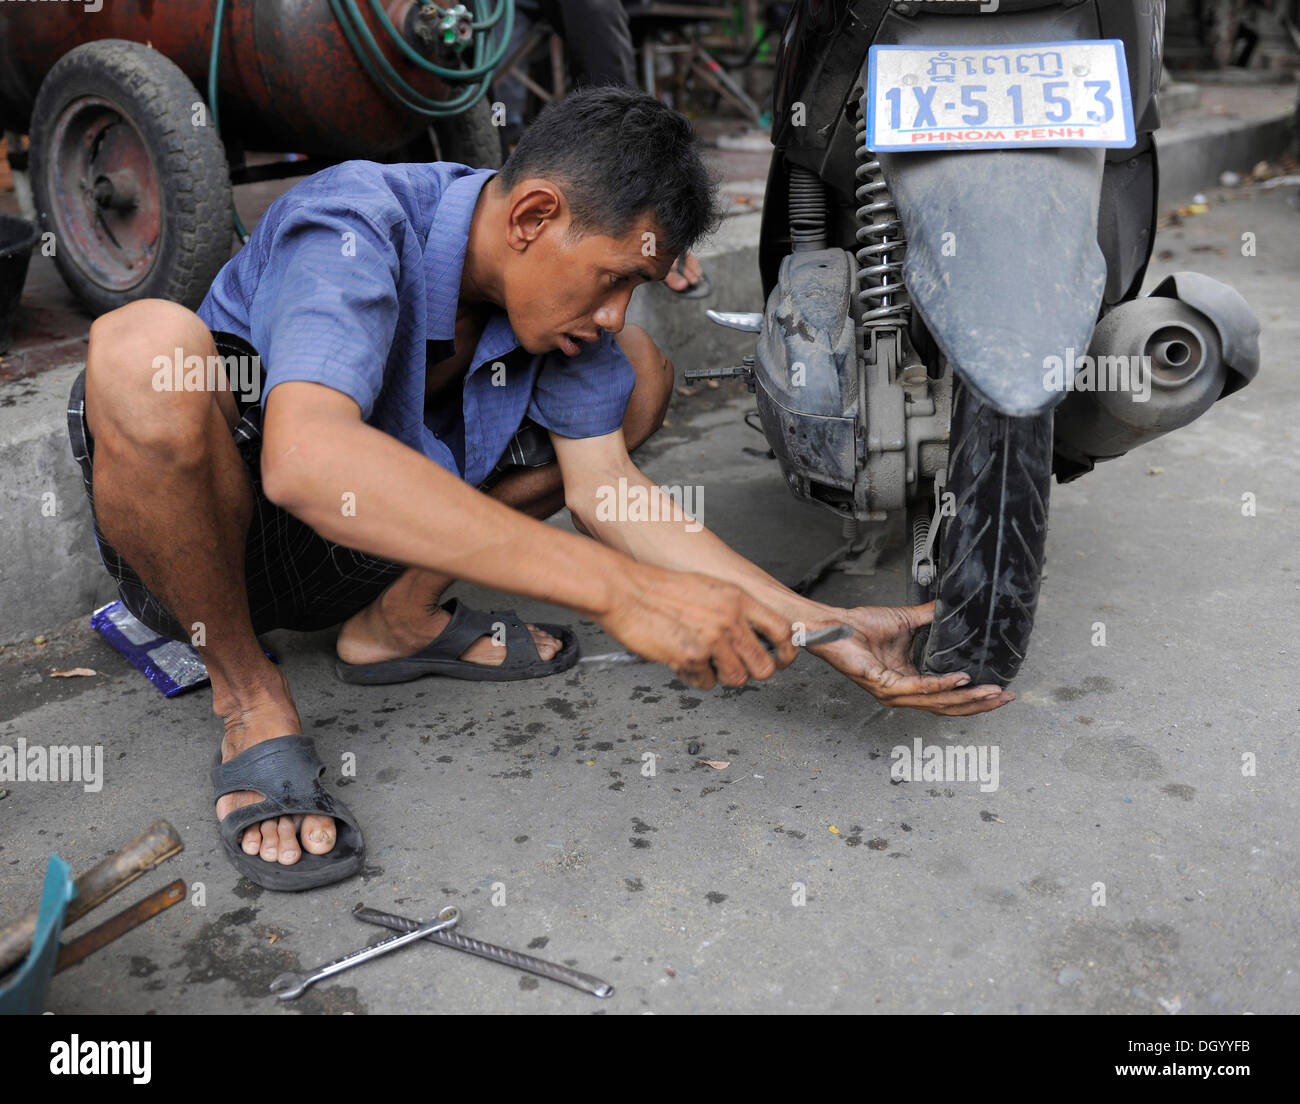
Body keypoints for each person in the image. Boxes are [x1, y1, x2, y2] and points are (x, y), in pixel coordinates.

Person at [69, 87, 1012, 892]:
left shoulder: (561, 315)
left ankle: (393, 623)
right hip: (210, 557)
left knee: (640, 372)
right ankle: (247, 693)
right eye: (611, 279)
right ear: (532, 219)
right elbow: (307, 460)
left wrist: (816, 625)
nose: (610, 312)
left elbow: (610, 492)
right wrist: (620, 592)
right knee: (144, 351)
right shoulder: (353, 221)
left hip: (358, 552)